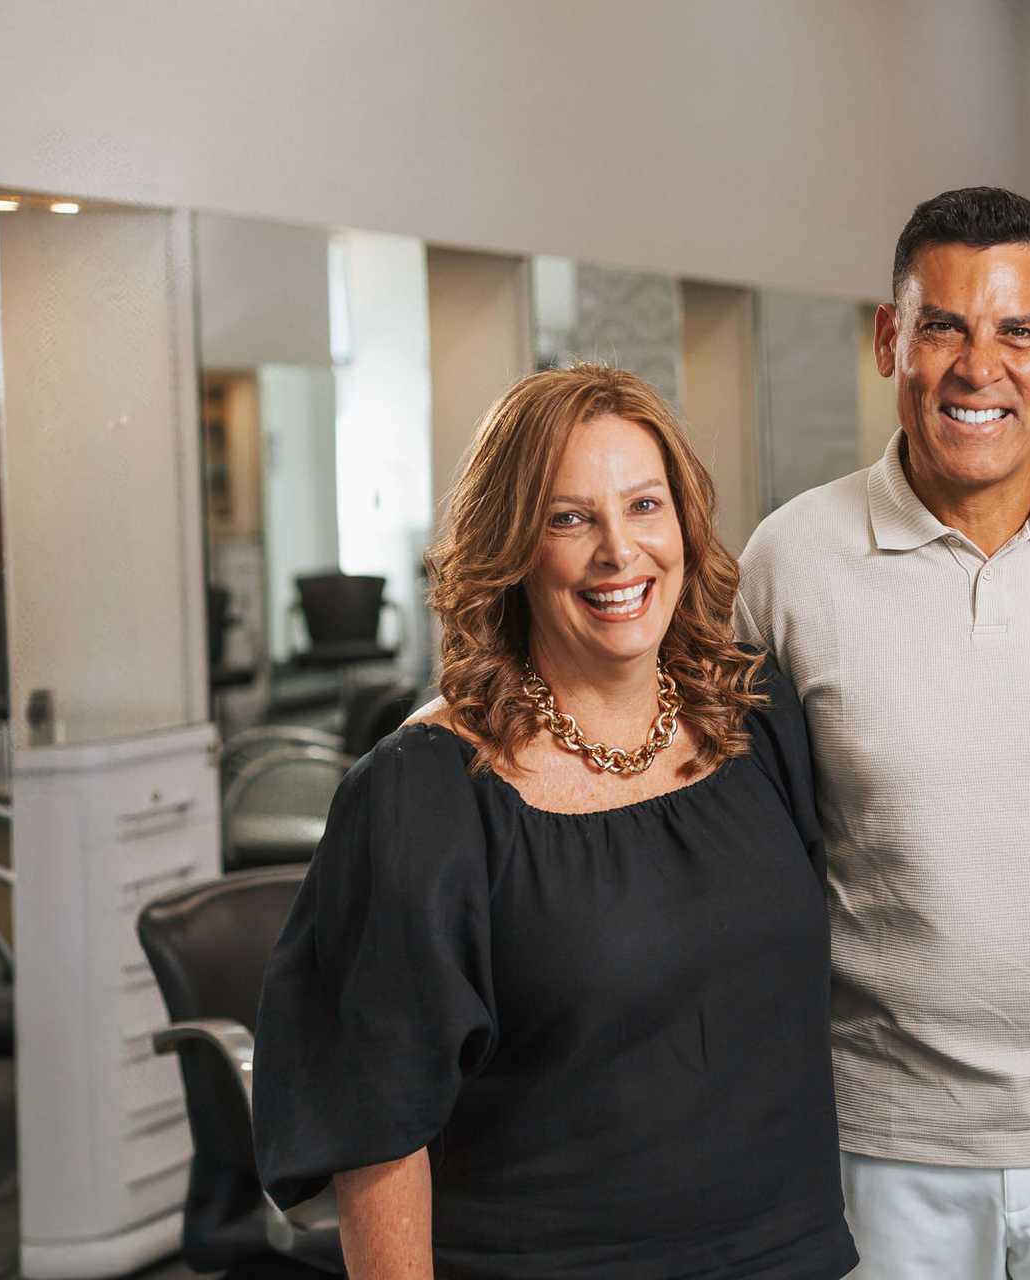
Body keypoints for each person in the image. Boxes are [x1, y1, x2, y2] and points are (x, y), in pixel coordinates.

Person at [252, 364, 856, 1280]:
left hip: (787, 1256)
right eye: (569, 518)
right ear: (512, 548)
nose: (620, 551)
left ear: (685, 523)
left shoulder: (761, 717)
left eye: (644, 506)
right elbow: (377, 1130)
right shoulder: (424, 794)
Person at [735, 186, 1030, 1278]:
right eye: (944, 325)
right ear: (887, 338)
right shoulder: (788, 561)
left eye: (1018, 329)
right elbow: (750, 852)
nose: (978, 365)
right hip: (881, 1133)